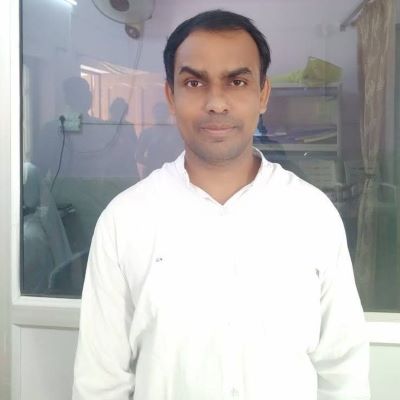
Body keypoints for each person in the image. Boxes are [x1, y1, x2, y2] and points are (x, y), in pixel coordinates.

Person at [72, 9, 370, 400]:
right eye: (194, 82)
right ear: (171, 96)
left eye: (237, 81)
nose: (216, 102)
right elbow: (100, 383)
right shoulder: (125, 221)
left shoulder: (312, 216)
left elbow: (343, 373)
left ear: (263, 95)